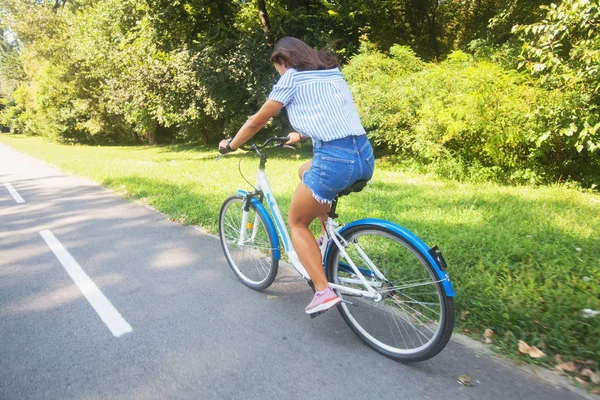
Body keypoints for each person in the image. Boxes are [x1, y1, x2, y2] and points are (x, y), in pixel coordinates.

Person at [219, 36, 375, 315]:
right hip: (363, 156)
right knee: (304, 170)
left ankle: (323, 290)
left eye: (277, 66)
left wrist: (231, 145)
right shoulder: (331, 73)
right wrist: (300, 134)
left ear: (283, 60)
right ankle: (328, 233)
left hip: (334, 161)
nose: (279, 72)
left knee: (297, 223)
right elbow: (331, 113)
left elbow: (257, 120)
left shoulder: (291, 77)